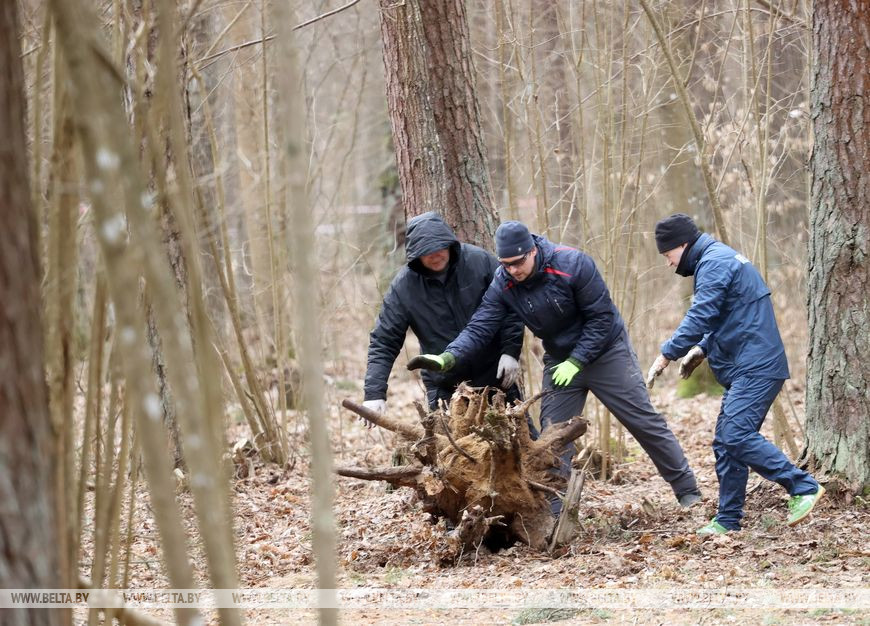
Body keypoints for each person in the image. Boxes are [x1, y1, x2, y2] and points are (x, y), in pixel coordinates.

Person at [407, 221, 700, 514]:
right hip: (559, 360)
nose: (513, 271)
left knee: (642, 420)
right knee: (551, 441)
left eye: (518, 263)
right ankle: (555, 512)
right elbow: (481, 325)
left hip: (606, 353)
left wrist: (578, 361)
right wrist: (449, 357)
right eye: (506, 265)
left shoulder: (572, 264)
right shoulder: (504, 281)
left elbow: (601, 320)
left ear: (533, 251)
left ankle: (687, 490)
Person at [646, 213, 824, 534]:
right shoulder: (715, 259)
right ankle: (728, 520)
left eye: (668, 255)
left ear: (682, 245)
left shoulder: (714, 262)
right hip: (748, 366)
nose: (669, 264)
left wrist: (667, 353)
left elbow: (701, 314)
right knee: (725, 444)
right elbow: (727, 314)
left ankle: (804, 487)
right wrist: (700, 349)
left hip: (756, 367)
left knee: (736, 436)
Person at [363, 212, 525, 417]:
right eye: (427, 251)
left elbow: (511, 304)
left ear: (449, 244)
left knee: (518, 443)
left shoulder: (479, 261)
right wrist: (374, 393)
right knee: (451, 448)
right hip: (446, 387)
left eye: (440, 247)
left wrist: (511, 351)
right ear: (415, 254)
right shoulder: (404, 288)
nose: (435, 255)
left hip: (496, 378)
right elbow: (384, 341)